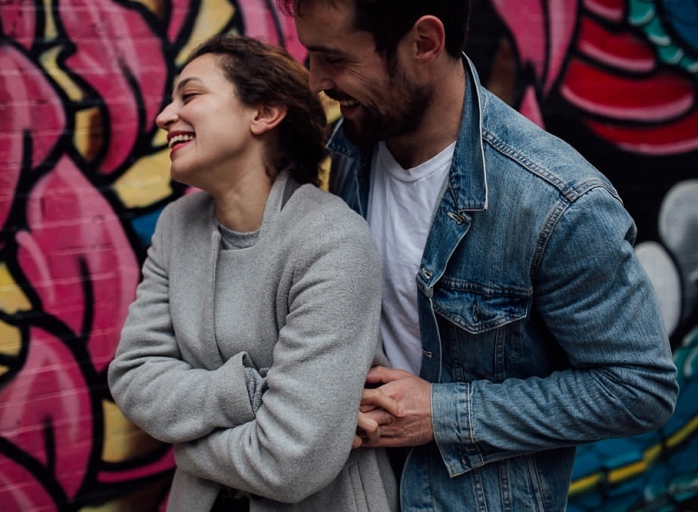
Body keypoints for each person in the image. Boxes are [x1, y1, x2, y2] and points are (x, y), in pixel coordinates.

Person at [275, 0, 680, 510]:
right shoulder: (350, 151)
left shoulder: (556, 202)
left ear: (424, 42)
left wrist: (442, 412)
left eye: (335, 59)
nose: (316, 82)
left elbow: (639, 389)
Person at [108, 34, 399, 512]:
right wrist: (247, 393)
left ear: (263, 113)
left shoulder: (331, 240)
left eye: (190, 96)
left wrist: (185, 447)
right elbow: (135, 377)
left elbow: (290, 462)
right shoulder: (177, 227)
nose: (164, 116)